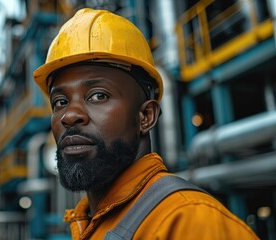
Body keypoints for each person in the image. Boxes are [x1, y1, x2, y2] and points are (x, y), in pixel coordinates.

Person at [33, 8, 259, 240]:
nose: (69, 115)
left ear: (146, 116)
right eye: (60, 101)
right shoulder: (88, 222)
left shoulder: (191, 223)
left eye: (98, 95)